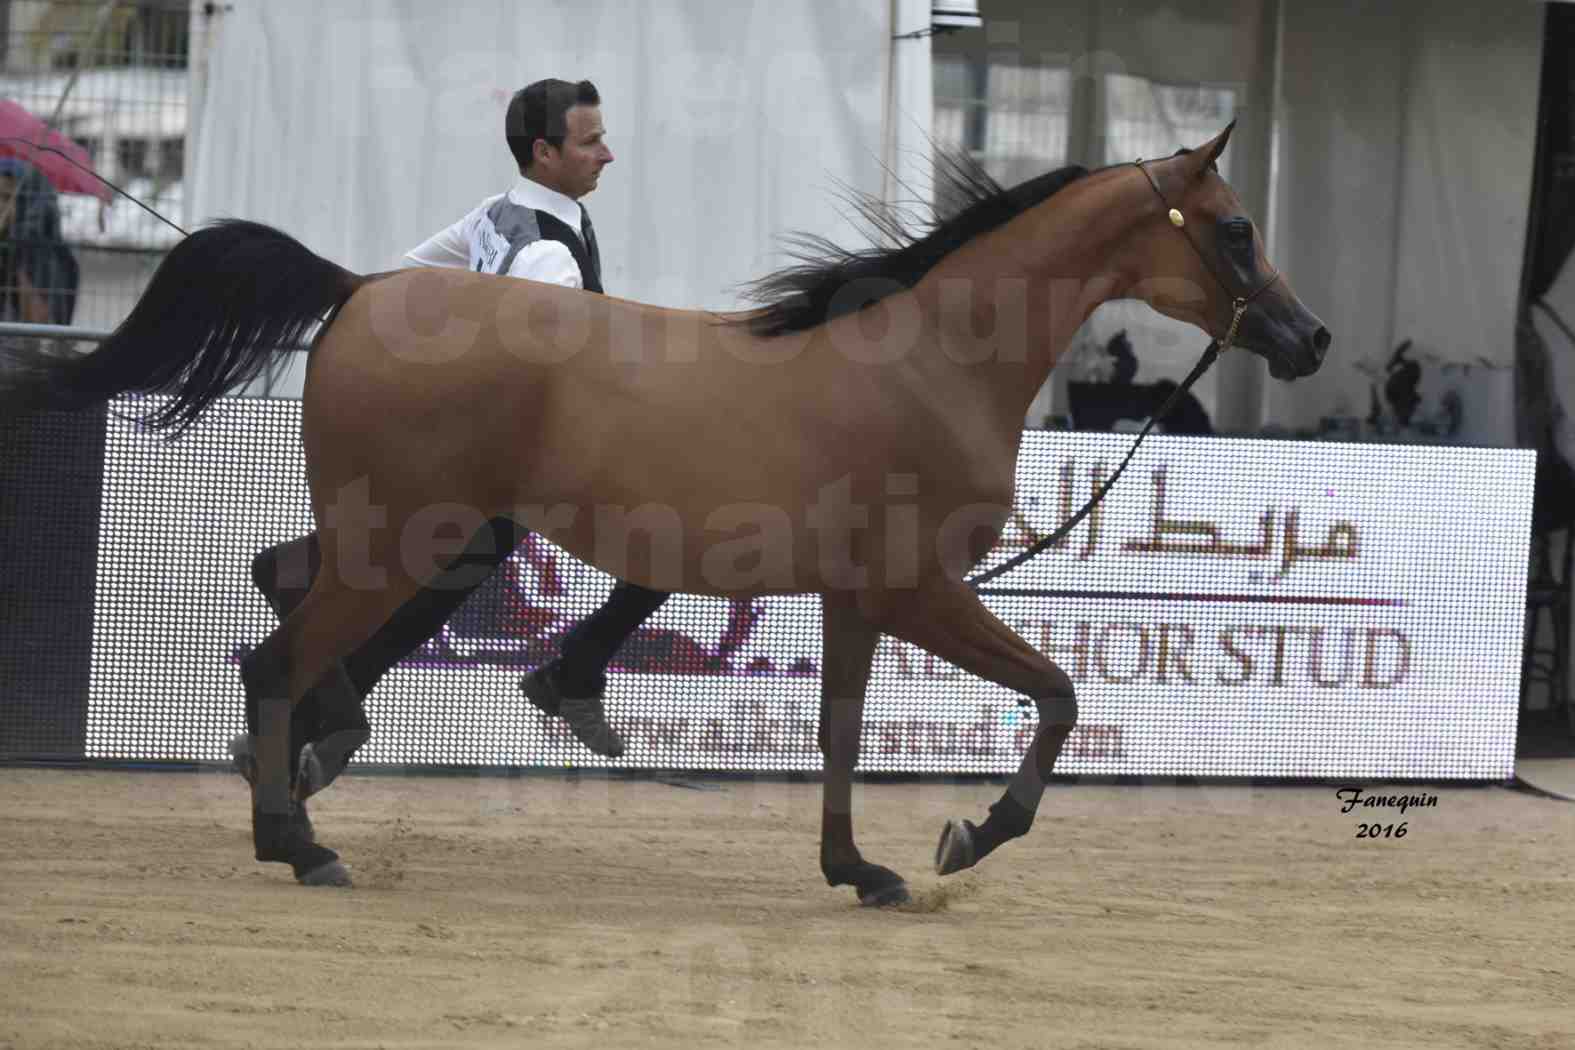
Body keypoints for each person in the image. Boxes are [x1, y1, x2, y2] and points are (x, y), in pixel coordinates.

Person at [236, 78, 671, 797]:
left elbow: (404, 284)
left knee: (404, 603)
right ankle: (573, 671)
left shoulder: (498, 214)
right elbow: (565, 370)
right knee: (673, 531)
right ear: (545, 150)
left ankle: (307, 728)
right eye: (591, 142)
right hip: (515, 466)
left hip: (480, 457)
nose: (607, 154)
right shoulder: (549, 258)